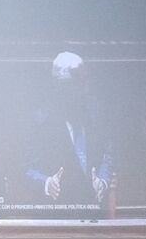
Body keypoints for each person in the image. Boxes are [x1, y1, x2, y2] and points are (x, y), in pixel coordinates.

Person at [21, 52, 112, 208]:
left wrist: (102, 181)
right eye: (76, 83)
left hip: (95, 213)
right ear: (59, 87)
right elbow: (26, 168)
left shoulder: (96, 115)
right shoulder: (39, 122)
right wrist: (47, 182)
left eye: (84, 81)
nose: (83, 89)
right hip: (55, 214)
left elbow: (107, 155)